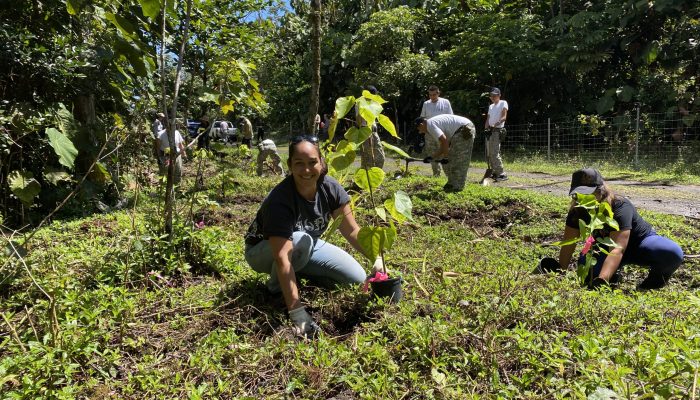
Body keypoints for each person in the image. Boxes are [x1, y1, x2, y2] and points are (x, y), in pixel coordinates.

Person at [244, 136, 381, 337]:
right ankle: (275, 289)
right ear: (290, 165)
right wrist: (296, 311)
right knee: (301, 240)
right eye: (299, 164)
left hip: (304, 245)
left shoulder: (331, 188)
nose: (306, 170)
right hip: (262, 252)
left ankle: (298, 273)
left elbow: (351, 230)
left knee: (357, 279)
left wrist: (376, 257)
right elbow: (282, 257)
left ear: (321, 162)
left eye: (312, 163)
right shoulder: (279, 201)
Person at [556, 168, 684, 290]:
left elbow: (618, 249)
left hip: (639, 244)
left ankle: (651, 285)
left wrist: (602, 280)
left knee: (671, 253)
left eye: (588, 194)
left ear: (600, 190)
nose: (583, 199)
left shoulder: (619, 206)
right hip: (606, 248)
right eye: (578, 194)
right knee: (588, 270)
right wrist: (559, 274)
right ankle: (613, 279)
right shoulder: (577, 210)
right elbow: (568, 244)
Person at [415, 114, 475, 192]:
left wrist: (445, 157)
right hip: (460, 130)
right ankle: (452, 183)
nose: (420, 132)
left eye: (419, 129)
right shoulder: (432, 124)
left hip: (464, 129)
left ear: (421, 124)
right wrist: (432, 157)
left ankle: (458, 187)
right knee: (452, 159)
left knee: (459, 160)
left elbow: (444, 140)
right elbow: (443, 146)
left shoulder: (430, 125)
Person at [420, 85, 454, 177]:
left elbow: (450, 117)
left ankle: (449, 174)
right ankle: (436, 174)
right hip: (429, 132)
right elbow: (423, 118)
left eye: (434, 95)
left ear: (438, 93)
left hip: (442, 132)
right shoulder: (426, 104)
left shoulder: (445, 102)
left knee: (444, 151)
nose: (432, 97)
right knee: (431, 152)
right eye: (430, 95)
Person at [356, 85, 385, 169]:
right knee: (367, 159)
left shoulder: (374, 104)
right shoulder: (359, 103)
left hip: (374, 132)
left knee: (380, 156)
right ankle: (364, 179)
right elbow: (358, 120)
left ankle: (376, 176)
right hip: (365, 132)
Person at [484, 87, 508, 181]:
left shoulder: (503, 102)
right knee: (489, 153)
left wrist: (495, 124)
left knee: (494, 152)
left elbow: (504, 117)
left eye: (495, 95)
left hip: (497, 130)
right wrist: (486, 128)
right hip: (490, 131)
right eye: (491, 96)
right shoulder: (491, 106)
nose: (493, 97)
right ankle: (494, 172)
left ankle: (502, 174)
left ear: (499, 95)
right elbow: (488, 119)